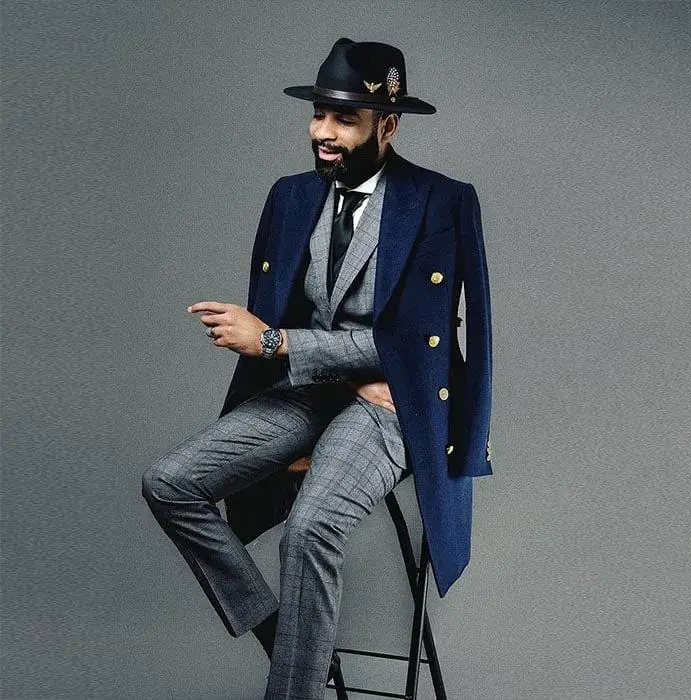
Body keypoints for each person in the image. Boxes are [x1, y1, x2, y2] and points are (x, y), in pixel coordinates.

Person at [141, 37, 493, 699]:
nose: (323, 132)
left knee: (309, 529)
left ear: (388, 125)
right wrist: (293, 351)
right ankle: (290, 642)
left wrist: (274, 341)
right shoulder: (291, 196)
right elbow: (295, 309)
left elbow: (416, 344)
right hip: (308, 391)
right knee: (170, 483)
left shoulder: (441, 202)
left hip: (392, 403)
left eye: (345, 119)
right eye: (319, 114)